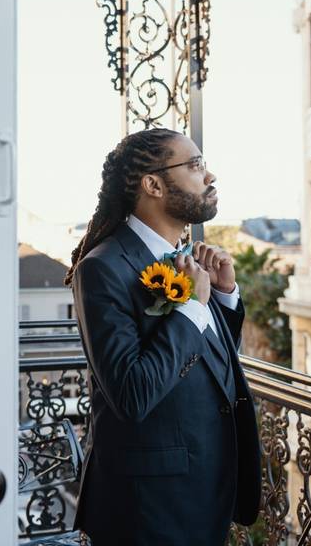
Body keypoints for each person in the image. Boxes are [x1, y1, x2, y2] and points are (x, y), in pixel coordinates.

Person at [64, 128, 261, 545]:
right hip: (148, 507)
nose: (209, 177)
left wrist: (222, 298)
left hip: (206, 490)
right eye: (194, 165)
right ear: (152, 184)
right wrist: (192, 306)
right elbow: (132, 394)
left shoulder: (186, 261)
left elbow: (205, 366)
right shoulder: (103, 269)